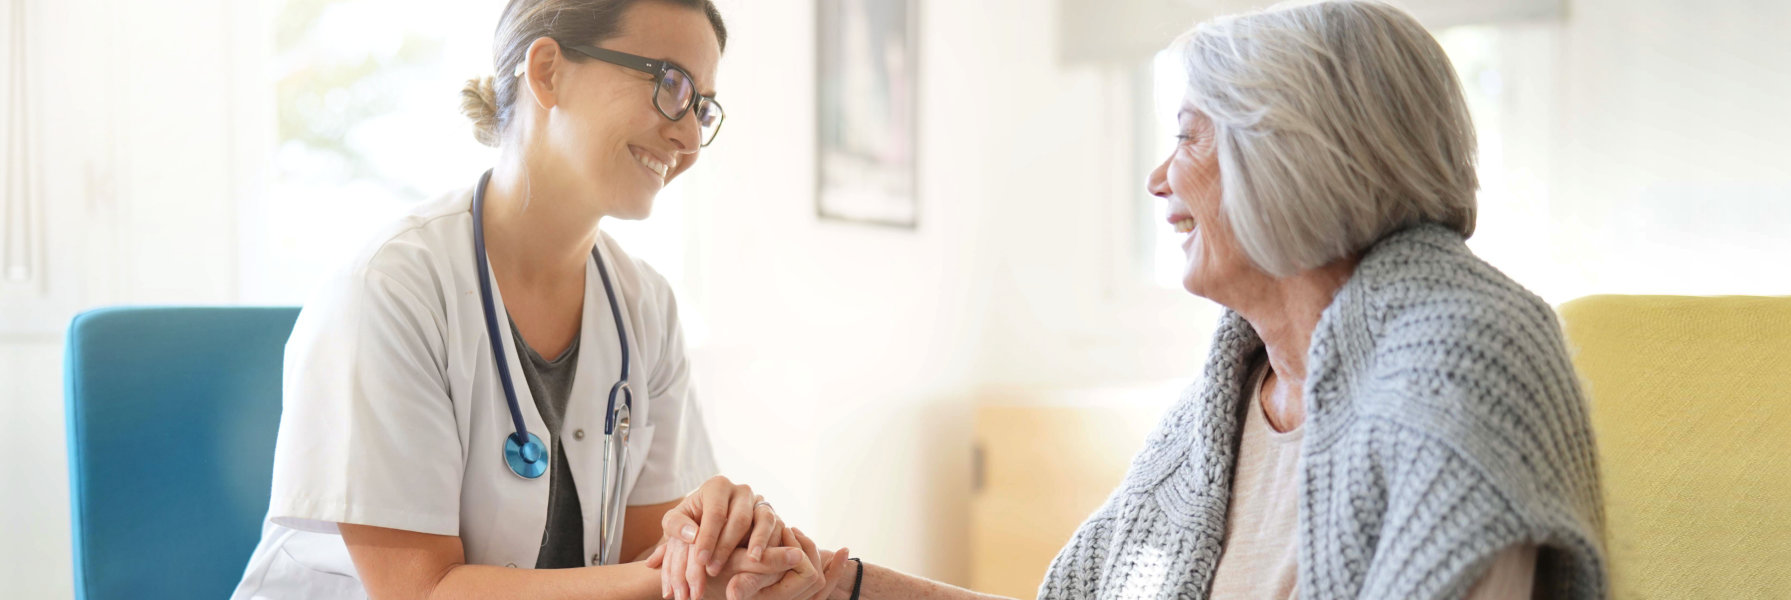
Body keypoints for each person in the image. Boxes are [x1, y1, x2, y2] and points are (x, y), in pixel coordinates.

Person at [662, 2, 1606, 599]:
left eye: (1190, 136)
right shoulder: (1225, 402)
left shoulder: (1466, 361)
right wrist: (838, 583)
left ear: (1293, 156)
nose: (1158, 178)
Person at [229, 1, 847, 598]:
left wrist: (714, 545)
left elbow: (646, 552)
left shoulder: (646, 307)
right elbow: (422, 592)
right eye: (670, 84)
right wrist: (674, 575)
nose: (687, 134)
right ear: (547, 71)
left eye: (702, 107)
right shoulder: (389, 291)